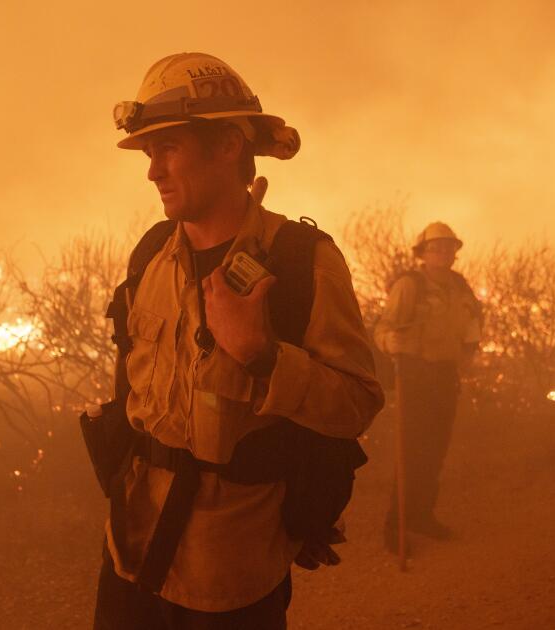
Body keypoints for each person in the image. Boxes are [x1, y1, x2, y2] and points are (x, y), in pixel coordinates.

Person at [94, 52, 384, 629]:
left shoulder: (303, 261)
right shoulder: (151, 255)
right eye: (149, 153)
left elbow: (357, 402)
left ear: (228, 144)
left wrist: (263, 355)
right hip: (131, 549)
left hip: (229, 572)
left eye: (168, 148)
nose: (153, 171)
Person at [374, 222, 482, 551]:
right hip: (415, 375)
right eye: (437, 248)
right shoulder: (410, 286)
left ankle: (422, 516)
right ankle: (396, 527)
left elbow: (473, 323)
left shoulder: (460, 287)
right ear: (423, 253)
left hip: (445, 376)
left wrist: (469, 350)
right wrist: (390, 341)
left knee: (435, 451)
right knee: (411, 452)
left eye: (449, 247)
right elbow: (384, 328)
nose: (444, 253)